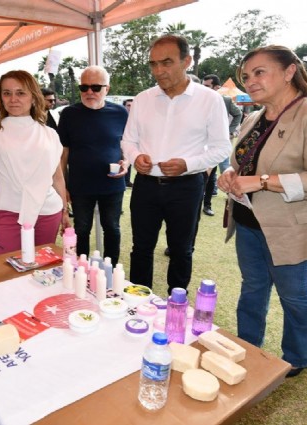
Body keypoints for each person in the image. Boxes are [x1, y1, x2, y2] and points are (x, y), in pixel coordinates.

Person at [217, 45, 307, 377]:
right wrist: (232, 175)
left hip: (294, 227)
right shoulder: (252, 118)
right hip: (249, 222)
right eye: (246, 76)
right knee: (252, 289)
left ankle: (299, 356)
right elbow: (246, 165)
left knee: (295, 295)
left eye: (259, 72)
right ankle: (247, 344)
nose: (250, 81)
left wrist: (261, 181)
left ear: (290, 71)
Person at [121, 34, 231, 294]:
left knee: (182, 249)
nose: (159, 70)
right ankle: (138, 300)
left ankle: (176, 302)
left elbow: (222, 147)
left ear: (187, 61)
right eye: (153, 64)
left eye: (167, 62)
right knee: (141, 247)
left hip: (186, 186)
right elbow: (128, 141)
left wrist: (188, 163)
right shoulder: (143, 99)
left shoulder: (209, 99)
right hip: (146, 185)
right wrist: (136, 157)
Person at [0, 70, 71, 255]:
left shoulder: (50, 134)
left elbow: (57, 177)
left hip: (48, 212)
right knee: (5, 271)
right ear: (1, 98)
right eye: (7, 93)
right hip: (8, 212)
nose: (13, 99)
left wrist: (65, 212)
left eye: (20, 93)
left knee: (43, 269)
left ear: (34, 97)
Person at [58, 65, 129, 265]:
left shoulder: (120, 113)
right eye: (84, 87)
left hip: (113, 184)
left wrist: (127, 163)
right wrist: (63, 186)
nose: (89, 92)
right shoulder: (69, 114)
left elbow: (128, 145)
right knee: (81, 229)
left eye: (96, 87)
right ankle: (80, 267)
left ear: (107, 88)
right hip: (80, 186)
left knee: (112, 228)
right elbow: (63, 153)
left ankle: (111, 268)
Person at [202, 74, 243, 215]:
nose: (204, 88)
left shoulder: (225, 101)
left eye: (207, 86)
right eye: (203, 85)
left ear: (217, 87)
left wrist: (229, 132)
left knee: (217, 171)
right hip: (199, 143)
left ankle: (207, 204)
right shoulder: (198, 100)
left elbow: (238, 114)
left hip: (217, 143)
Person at [122, 98, 134, 188]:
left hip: (131, 145)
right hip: (120, 144)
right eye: (128, 105)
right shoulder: (120, 117)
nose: (131, 107)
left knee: (129, 161)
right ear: (124, 106)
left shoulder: (136, 119)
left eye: (132, 105)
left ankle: (127, 181)